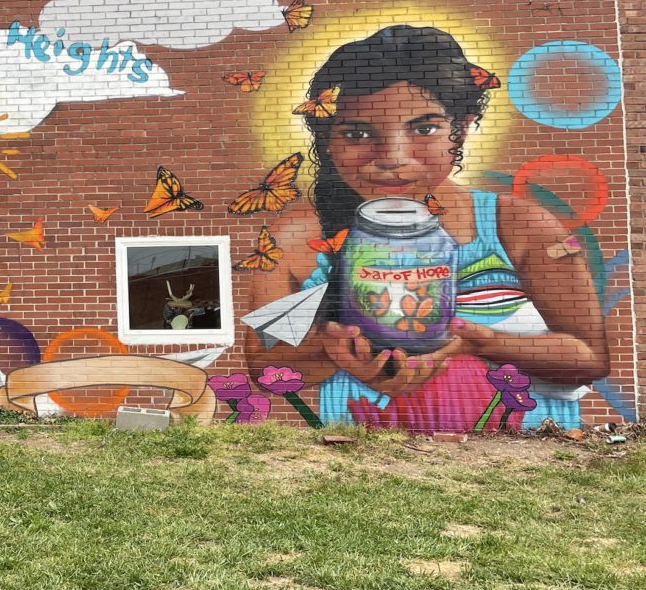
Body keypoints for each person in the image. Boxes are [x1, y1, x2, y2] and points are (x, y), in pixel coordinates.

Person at [245, 25, 608, 431]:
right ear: (327, 140)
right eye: (357, 133)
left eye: (424, 128)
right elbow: (265, 368)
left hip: (519, 466)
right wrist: (334, 352)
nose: (392, 158)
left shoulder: (520, 226)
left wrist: (479, 343)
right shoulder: (294, 240)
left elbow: (588, 358)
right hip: (363, 468)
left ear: (463, 127)